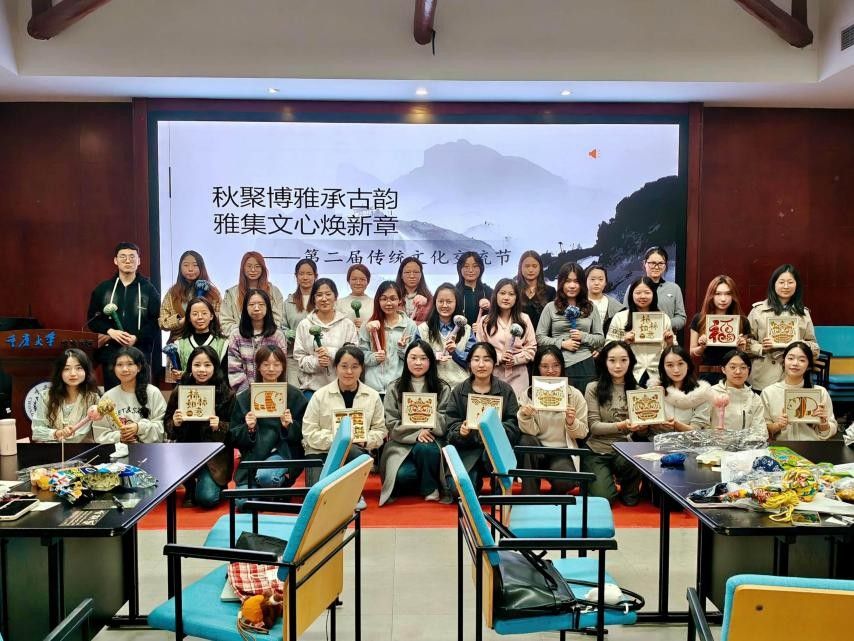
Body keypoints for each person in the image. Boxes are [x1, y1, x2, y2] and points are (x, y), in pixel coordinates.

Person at [379, 340, 452, 505]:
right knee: (403, 475)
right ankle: (423, 480)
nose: (418, 362)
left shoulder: (442, 388)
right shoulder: (394, 387)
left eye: (423, 358)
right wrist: (417, 432)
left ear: (430, 361)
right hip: (401, 443)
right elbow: (391, 421)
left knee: (425, 448)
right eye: (413, 358)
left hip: (431, 440)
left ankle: (430, 488)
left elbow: (445, 419)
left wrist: (428, 428)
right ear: (406, 360)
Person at [301, 344, 387, 483]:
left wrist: (365, 441)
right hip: (320, 452)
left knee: (353, 452)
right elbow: (309, 432)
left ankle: (353, 494)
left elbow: (380, 430)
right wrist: (339, 441)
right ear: (336, 367)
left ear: (362, 368)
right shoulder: (319, 396)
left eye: (355, 367)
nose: (349, 371)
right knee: (318, 492)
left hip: (355, 452)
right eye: (344, 366)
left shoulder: (373, 396)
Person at [229, 345, 308, 490]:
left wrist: (289, 426)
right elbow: (233, 435)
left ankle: (277, 486)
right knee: (243, 500)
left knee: (266, 477)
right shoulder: (244, 397)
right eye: (266, 364)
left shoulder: (295, 395)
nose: (271, 369)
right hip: (254, 455)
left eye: (276, 364)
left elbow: (304, 432)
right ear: (258, 367)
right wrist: (249, 429)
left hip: (282, 452)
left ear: (283, 367)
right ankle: (274, 493)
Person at [165, 345, 234, 507]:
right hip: (186, 452)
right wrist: (175, 423)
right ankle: (190, 486)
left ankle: (216, 484)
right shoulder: (180, 391)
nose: (202, 370)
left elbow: (235, 429)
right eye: (197, 365)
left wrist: (219, 426)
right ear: (190, 367)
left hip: (214, 456)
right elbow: (167, 423)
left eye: (207, 365)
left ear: (215, 367)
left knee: (206, 498)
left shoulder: (226, 393)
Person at [445, 342, 520, 489]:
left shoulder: (505, 390)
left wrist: (497, 430)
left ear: (494, 363)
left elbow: (513, 425)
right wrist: (461, 431)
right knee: (458, 490)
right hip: (467, 450)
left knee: (497, 474)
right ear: (469, 362)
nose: (481, 365)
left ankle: (497, 487)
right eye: (476, 359)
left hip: (495, 450)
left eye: (487, 360)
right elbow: (451, 425)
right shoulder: (459, 391)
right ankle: (475, 480)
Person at [86, 242, 160, 388]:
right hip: (111, 353)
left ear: (139, 260)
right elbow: (92, 320)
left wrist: (136, 337)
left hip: (140, 353)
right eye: (123, 257)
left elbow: (155, 322)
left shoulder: (149, 290)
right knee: (113, 396)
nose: (128, 261)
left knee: (140, 394)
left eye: (132, 257)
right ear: (115, 260)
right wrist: (110, 331)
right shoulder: (103, 289)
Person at [517, 345, 589, 494]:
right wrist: (525, 416)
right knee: (525, 440)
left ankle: (553, 498)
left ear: (562, 367)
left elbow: (583, 433)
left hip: (561, 452)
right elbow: (531, 432)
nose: (550, 371)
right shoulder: (528, 394)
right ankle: (530, 495)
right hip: (536, 450)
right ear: (537, 368)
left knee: (566, 481)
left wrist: (571, 422)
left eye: (556, 365)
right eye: (544, 366)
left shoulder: (574, 395)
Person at [583, 341, 643, 505]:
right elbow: (594, 427)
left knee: (631, 501)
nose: (618, 365)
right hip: (597, 451)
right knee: (604, 499)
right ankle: (602, 480)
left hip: (625, 450)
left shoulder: (639, 391)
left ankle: (627, 484)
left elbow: (642, 433)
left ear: (630, 361)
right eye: (612, 360)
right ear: (604, 361)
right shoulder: (593, 388)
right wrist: (622, 425)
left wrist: (643, 427)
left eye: (623, 360)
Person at [747, 264, 819, 391]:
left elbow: (815, 349)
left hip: (793, 377)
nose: (786, 286)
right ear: (773, 284)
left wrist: (798, 344)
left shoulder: (803, 313)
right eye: (781, 282)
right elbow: (744, 344)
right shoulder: (758, 311)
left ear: (796, 285)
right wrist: (762, 348)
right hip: (763, 377)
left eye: (790, 282)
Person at [536, 262, 604, 393]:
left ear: (582, 284)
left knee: (584, 402)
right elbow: (540, 338)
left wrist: (583, 336)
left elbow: (600, 339)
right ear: (561, 283)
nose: (572, 286)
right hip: (558, 365)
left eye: (576, 281)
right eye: (568, 281)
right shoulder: (550, 307)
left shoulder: (590, 307)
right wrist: (562, 344)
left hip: (585, 364)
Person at [294, 278, 358, 395]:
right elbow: (299, 358)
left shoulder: (347, 324)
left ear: (335, 297)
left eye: (328, 294)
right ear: (313, 299)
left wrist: (331, 352)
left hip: (343, 388)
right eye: (319, 295)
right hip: (312, 389)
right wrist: (316, 362)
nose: (324, 299)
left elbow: (355, 356)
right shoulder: (304, 325)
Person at [761, 341, 837, 441]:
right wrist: (778, 425)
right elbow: (763, 430)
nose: (795, 363)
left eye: (802, 360)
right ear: (783, 361)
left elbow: (829, 431)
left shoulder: (820, 392)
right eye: (790, 358)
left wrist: (823, 423)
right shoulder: (768, 393)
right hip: (782, 448)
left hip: (812, 447)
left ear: (808, 365)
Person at [474, 278, 536, 398]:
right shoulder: (485, 321)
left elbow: (532, 348)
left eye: (511, 294)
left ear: (516, 298)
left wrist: (515, 359)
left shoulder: (524, 319)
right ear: (495, 295)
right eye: (502, 293)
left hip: (518, 374)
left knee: (517, 407)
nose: (506, 297)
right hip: (492, 374)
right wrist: (498, 357)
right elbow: (480, 349)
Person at [607, 276, 675, 385]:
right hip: (629, 372)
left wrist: (670, 342)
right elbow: (607, 347)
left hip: (657, 374)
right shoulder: (620, 317)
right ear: (631, 294)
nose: (642, 296)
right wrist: (623, 341)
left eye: (647, 292)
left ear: (653, 294)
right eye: (638, 293)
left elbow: (674, 352)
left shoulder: (663, 318)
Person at [92, 346, 165, 444]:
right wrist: (120, 437)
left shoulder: (153, 392)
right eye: (119, 365)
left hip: (149, 450)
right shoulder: (108, 397)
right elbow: (99, 432)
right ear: (114, 368)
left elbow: (163, 427)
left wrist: (139, 428)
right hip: (118, 451)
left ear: (139, 367)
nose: (124, 369)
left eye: (130, 364)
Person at [359, 281, 418, 394]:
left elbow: (415, 358)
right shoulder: (368, 325)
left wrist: (402, 349)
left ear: (400, 300)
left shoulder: (410, 325)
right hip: (373, 389)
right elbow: (360, 354)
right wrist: (374, 357)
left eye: (393, 298)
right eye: (384, 299)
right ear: (378, 300)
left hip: (399, 388)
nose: (388, 303)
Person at [689, 275, 751, 383]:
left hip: (733, 375)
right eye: (718, 294)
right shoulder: (699, 319)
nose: (723, 299)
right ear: (711, 295)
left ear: (733, 296)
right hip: (707, 375)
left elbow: (744, 355)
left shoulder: (742, 321)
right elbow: (692, 352)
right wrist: (702, 347)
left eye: (728, 294)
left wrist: (741, 347)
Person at [32, 349, 100, 443]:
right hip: (52, 450)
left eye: (79, 368)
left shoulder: (93, 399)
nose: (73, 374)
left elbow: (93, 433)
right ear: (59, 372)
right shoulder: (46, 396)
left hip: (83, 450)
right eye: (66, 369)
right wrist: (57, 433)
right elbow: (36, 432)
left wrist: (55, 436)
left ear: (86, 371)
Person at [227, 289, 288, 393]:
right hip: (244, 394)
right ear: (245, 308)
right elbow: (234, 370)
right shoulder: (236, 335)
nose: (256, 308)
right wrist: (248, 394)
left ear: (268, 307)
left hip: (272, 392)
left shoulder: (278, 336)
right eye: (251, 305)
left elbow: (280, 367)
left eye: (261, 304)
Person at [158, 250, 221, 344]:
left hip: (208, 342)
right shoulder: (172, 293)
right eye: (186, 265)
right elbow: (162, 322)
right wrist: (181, 321)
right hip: (179, 342)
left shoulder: (213, 292)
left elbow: (220, 319)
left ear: (201, 267)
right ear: (180, 268)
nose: (190, 269)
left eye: (195, 265)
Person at [417, 282, 471, 387]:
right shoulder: (423, 329)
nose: (444, 305)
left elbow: (472, 360)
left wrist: (455, 352)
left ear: (456, 303)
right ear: (435, 302)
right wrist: (432, 356)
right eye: (440, 301)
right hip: (431, 386)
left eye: (449, 301)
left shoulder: (467, 329)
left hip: (460, 387)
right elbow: (415, 356)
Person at [220, 252, 285, 337]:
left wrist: (261, 332)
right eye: (249, 266)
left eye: (257, 266)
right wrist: (246, 332)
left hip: (268, 339)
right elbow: (225, 322)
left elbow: (277, 320)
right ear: (243, 268)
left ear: (263, 268)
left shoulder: (274, 292)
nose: (253, 270)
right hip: (239, 339)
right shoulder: (231, 294)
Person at [649, 345, 711, 434]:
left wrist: (676, 425)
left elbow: (697, 431)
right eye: (670, 365)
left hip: (689, 442)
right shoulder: (654, 390)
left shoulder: (701, 393)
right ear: (663, 367)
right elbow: (644, 430)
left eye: (680, 363)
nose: (676, 370)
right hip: (656, 441)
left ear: (688, 365)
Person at [623, 246, 686, 333]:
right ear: (644, 263)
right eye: (652, 263)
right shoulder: (633, 287)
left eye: (661, 263)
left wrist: (662, 323)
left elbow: (681, 318)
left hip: (665, 338)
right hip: (637, 337)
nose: (656, 267)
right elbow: (624, 315)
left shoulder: (674, 288)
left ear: (665, 265)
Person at [708, 349, 767, 437]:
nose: (738, 372)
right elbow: (701, 426)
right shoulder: (710, 394)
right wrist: (713, 435)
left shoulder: (754, 398)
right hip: (715, 443)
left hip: (746, 445)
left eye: (743, 367)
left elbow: (760, 431)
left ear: (748, 370)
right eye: (733, 367)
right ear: (723, 369)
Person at [170, 297, 228, 378]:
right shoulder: (179, 344)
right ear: (189, 318)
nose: (200, 317)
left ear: (211, 316)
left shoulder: (223, 343)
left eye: (204, 313)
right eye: (195, 314)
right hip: (187, 386)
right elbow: (175, 377)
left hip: (216, 386)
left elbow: (226, 375)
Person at [282, 258, 318, 387]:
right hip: (294, 359)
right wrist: (286, 333)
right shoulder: (288, 302)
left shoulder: (322, 300)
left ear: (316, 276)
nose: (305, 277)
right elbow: (281, 327)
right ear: (296, 276)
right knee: (295, 394)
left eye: (309, 274)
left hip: (317, 357)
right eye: (301, 274)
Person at [515, 250, 556, 329]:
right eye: (527, 266)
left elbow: (555, 320)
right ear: (520, 268)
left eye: (534, 266)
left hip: (543, 336)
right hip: (518, 336)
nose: (531, 270)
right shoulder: (513, 290)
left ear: (540, 268)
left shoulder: (550, 291)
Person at [585, 263, 624, 337]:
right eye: (592, 279)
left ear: (605, 282)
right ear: (586, 281)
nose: (596, 283)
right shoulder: (576, 303)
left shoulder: (616, 307)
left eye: (601, 279)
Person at [455, 251, 493, 326]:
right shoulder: (454, 292)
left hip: (484, 332)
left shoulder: (488, 292)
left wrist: (490, 307)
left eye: (475, 266)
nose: (471, 270)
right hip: (459, 332)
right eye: (466, 266)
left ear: (481, 268)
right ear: (460, 269)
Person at [396, 256, 433, 323]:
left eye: (416, 272)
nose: (412, 276)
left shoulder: (429, 299)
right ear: (401, 275)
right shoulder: (394, 297)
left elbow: (433, 323)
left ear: (421, 275)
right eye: (407, 272)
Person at [336, 264, 372, 329]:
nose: (358, 283)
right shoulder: (338, 303)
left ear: (368, 281)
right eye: (354, 279)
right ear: (348, 281)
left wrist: (366, 326)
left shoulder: (374, 303)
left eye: (362, 279)